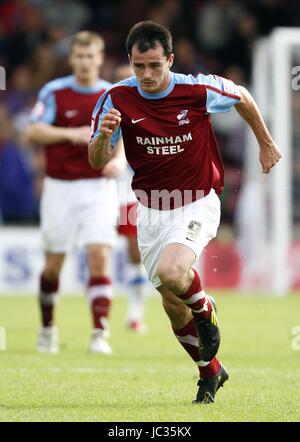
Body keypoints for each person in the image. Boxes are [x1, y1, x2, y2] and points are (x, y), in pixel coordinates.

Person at [88, 21, 282, 403]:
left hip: (197, 199)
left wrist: (266, 143)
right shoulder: (114, 98)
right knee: (173, 305)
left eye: (155, 66)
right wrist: (102, 137)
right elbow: (96, 161)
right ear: (129, 61)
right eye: (139, 66)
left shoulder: (196, 88)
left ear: (170, 60)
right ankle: (210, 372)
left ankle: (205, 307)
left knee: (173, 272)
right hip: (150, 210)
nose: (146, 75)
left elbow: (242, 95)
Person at [26, 31, 125, 355]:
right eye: (79, 57)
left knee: (99, 255)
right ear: (72, 60)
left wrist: (120, 160)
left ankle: (100, 333)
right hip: (60, 187)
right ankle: (47, 328)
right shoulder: (55, 92)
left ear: (100, 59)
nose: (84, 63)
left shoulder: (112, 94)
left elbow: (127, 132)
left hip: (98, 187)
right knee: (53, 263)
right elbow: (33, 130)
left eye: (90, 57)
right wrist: (72, 134)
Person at [114, 64, 148, 334]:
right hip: (96, 188)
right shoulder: (102, 106)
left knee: (134, 251)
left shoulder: (148, 107)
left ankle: (135, 313)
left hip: (129, 189)